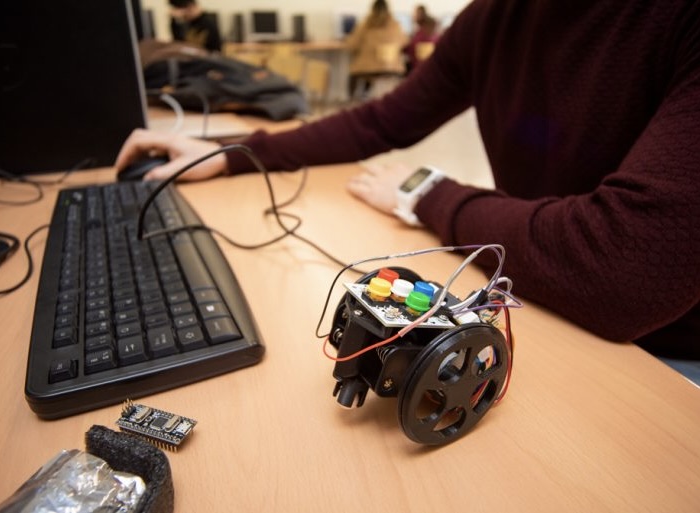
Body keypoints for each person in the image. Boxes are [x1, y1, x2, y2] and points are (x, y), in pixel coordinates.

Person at [116, 0, 700, 363]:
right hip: (537, 291)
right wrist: (233, 154)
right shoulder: (497, 16)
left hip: (665, 350)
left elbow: (624, 268)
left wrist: (428, 195)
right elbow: (381, 119)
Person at [344, 0, 408, 99]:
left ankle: (352, 101)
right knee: (368, 72)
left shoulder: (365, 25)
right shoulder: (396, 25)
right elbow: (404, 42)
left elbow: (352, 45)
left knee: (354, 73)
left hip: (367, 69)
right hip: (392, 68)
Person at [404, 5, 440, 73]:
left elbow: (409, 50)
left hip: (417, 71)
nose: (414, 16)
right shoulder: (437, 38)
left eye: (416, 13)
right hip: (433, 71)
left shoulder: (418, 37)